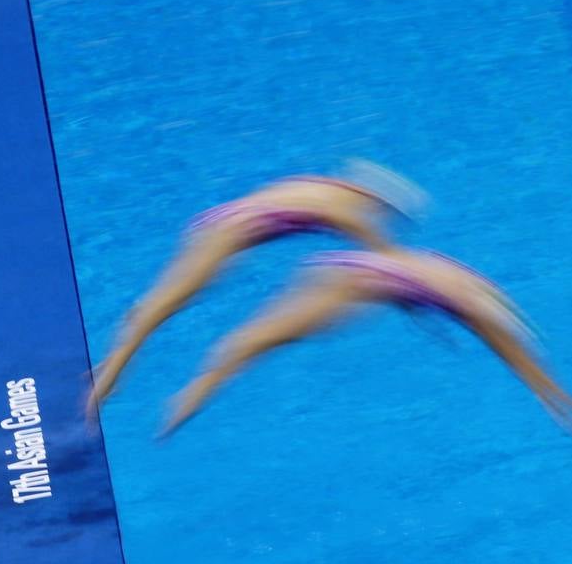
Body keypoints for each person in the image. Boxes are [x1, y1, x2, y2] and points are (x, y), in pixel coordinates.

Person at [88, 161, 430, 415]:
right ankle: (103, 385)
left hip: (223, 226)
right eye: (386, 214)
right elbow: (386, 257)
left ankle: (107, 372)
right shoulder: (346, 209)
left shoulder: (319, 184)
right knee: (158, 309)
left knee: (161, 304)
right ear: (377, 203)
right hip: (228, 233)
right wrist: (414, 292)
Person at [159, 247, 572, 444]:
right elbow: (522, 364)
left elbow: (515, 353)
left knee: (249, 343)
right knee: (248, 346)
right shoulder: (481, 309)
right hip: (350, 285)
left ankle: (193, 394)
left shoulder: (473, 291)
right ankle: (186, 402)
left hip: (354, 271)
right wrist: (560, 406)